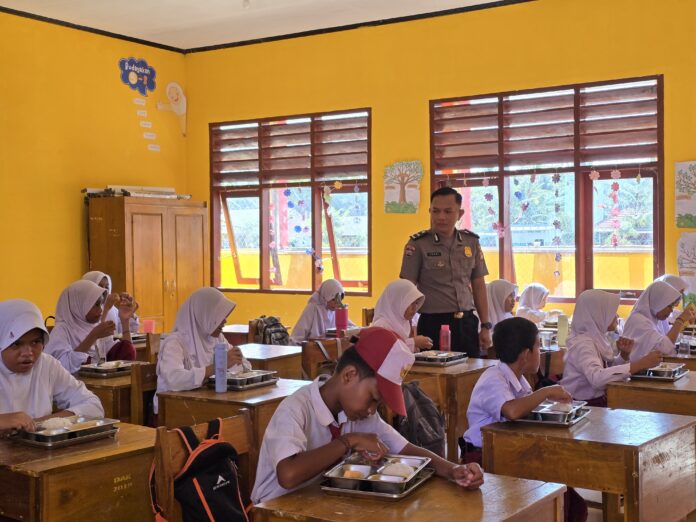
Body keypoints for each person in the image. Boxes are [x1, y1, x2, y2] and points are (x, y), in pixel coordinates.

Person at [251, 327, 484, 505]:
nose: (372, 410)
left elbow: (404, 448)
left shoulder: (357, 413)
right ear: (349, 375)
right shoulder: (295, 409)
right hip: (274, 510)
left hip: (319, 505)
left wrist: (453, 470)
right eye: (373, 398)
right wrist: (348, 441)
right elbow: (288, 475)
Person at [461, 317, 586, 522]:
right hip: (484, 457)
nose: (540, 352)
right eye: (538, 346)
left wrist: (552, 402)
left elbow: (527, 407)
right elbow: (512, 411)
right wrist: (545, 392)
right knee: (556, 494)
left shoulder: (517, 378)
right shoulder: (493, 377)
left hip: (510, 451)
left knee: (568, 495)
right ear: (526, 355)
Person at [400, 187, 491, 356]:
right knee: (436, 372)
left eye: (448, 211)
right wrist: (406, 328)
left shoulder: (471, 242)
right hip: (433, 324)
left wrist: (486, 325)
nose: (441, 217)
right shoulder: (417, 244)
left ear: (460, 214)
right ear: (430, 212)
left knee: (471, 369)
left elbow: (478, 285)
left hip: (466, 323)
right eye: (436, 211)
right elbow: (407, 289)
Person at [0, 299, 104, 428]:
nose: (28, 353)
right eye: (16, 344)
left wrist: (40, 422)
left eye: (35, 342)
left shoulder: (47, 365)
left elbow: (93, 406)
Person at [155, 287, 250, 414]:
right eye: (219, 315)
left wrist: (236, 361)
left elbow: (245, 366)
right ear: (203, 315)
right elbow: (174, 380)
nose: (224, 321)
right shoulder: (175, 343)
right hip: (173, 410)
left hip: (204, 405)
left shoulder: (216, 338)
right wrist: (218, 366)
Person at [560, 290, 662, 407]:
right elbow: (597, 379)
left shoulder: (595, 338)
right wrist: (639, 364)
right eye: (612, 312)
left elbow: (605, 372)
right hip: (582, 407)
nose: (617, 316)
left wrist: (623, 356)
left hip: (595, 402)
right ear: (598, 314)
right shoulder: (583, 344)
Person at [45, 280, 136, 373]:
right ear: (79, 304)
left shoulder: (94, 326)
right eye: (96, 305)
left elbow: (125, 355)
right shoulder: (61, 331)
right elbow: (62, 368)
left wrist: (125, 321)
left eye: (101, 304)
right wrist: (93, 336)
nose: (101, 309)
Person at [624, 281, 695, 362]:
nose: (671, 310)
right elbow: (665, 348)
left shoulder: (653, 318)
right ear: (658, 302)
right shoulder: (638, 321)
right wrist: (680, 320)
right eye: (669, 306)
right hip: (639, 369)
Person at [371, 279, 432, 352]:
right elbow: (387, 350)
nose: (414, 308)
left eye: (416, 303)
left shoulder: (404, 323)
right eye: (410, 303)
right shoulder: (381, 326)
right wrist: (413, 342)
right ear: (397, 302)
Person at [290, 279, 354, 344]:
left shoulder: (335, 311)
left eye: (339, 300)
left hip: (329, 346)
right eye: (333, 299)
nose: (337, 303)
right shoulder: (313, 308)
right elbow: (297, 336)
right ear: (326, 296)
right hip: (313, 347)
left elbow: (352, 327)